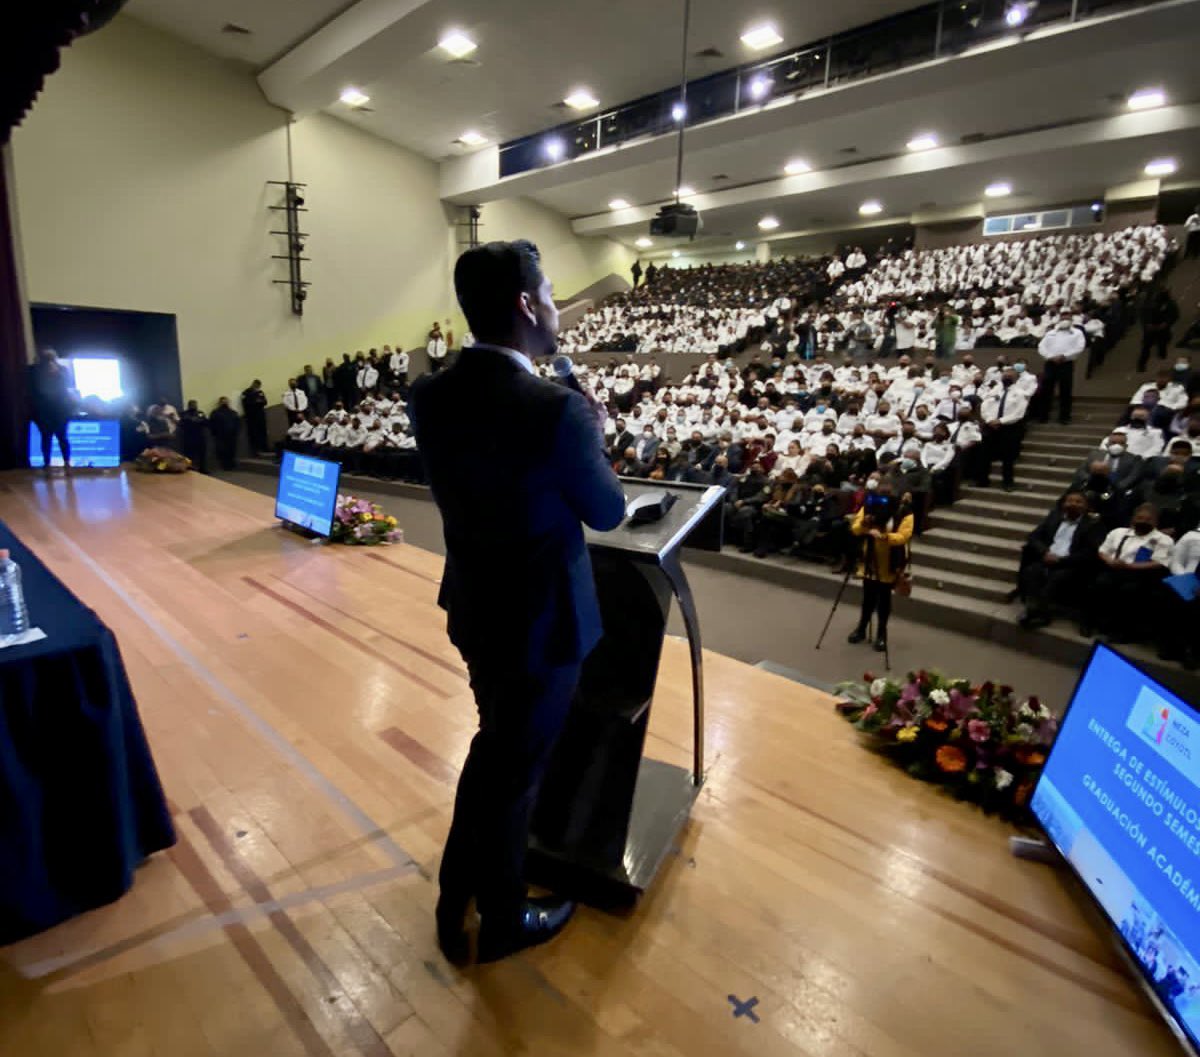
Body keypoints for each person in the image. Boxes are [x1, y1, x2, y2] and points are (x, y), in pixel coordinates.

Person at [410, 240, 625, 966]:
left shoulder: (430, 394)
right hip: (543, 624)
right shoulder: (556, 410)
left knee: (495, 749)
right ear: (527, 305)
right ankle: (501, 920)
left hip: (477, 609)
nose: (559, 307)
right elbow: (607, 511)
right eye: (552, 293)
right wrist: (593, 434)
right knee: (514, 774)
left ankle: (455, 894)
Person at [1084, 504, 1174, 640]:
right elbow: (1103, 551)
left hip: (1141, 574)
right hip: (1113, 568)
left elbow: (1158, 563)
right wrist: (1110, 561)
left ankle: (1121, 632)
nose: (1143, 521)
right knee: (1099, 584)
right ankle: (1090, 623)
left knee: (1129, 591)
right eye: (1140, 518)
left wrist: (1129, 566)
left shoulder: (1163, 540)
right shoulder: (1118, 532)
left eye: (1148, 519)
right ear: (1133, 519)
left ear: (1156, 522)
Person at [1015, 491, 1104, 629]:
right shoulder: (1054, 517)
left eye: (1078, 502)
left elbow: (1089, 551)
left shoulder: (1092, 524)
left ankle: (1039, 615)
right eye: (1070, 501)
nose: (1073, 504)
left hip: (1070, 563)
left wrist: (1061, 561)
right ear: (1063, 504)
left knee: (1056, 579)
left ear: (1086, 506)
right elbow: (1033, 536)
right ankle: (1033, 610)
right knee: (1031, 572)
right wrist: (1044, 552)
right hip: (1047, 557)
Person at [846, 482, 912, 651]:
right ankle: (861, 629)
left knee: (884, 598)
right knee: (868, 597)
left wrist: (884, 537)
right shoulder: (869, 506)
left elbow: (903, 536)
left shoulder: (903, 511)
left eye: (886, 497)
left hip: (890, 560)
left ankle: (881, 634)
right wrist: (865, 524)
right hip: (870, 558)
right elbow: (855, 529)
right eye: (880, 496)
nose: (882, 501)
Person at [979, 369, 1028, 491]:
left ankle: (1007, 483)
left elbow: (1018, 413)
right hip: (990, 426)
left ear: (1015, 378)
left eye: (1009, 376)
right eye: (1005, 375)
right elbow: (984, 406)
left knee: (1008, 457)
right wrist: (989, 420)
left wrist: (1000, 421)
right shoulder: (994, 391)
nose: (1006, 377)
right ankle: (983, 480)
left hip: (1009, 428)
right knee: (984, 455)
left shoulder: (1020, 393)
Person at [28, 347, 76, 472]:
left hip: (61, 410)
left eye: (51, 359)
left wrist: (57, 374)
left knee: (62, 437)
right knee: (46, 437)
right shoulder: (34, 371)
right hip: (43, 410)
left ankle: (67, 463)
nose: (49, 362)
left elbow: (67, 386)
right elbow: (33, 390)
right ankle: (47, 464)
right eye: (46, 360)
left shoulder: (62, 370)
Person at [1037, 317, 1085, 425]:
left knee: (1065, 390)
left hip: (1066, 364)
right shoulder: (1050, 333)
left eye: (1067, 317)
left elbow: (1079, 347)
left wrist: (1064, 356)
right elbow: (1041, 346)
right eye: (1063, 317)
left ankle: (1064, 417)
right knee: (1046, 390)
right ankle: (1043, 416)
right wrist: (1050, 356)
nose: (1064, 319)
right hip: (1050, 363)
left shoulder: (1077, 333)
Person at [1139, 289, 1180, 373]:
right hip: (1151, 329)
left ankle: (1162, 356)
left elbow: (1175, 315)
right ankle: (1141, 364)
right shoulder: (1150, 304)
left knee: (1162, 344)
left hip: (1162, 329)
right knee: (1146, 347)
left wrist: (1166, 323)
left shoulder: (1170, 304)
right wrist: (1147, 324)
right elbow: (1143, 315)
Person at [210, 396, 240, 471]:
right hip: (220, 435)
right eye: (223, 401)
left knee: (232, 450)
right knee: (223, 450)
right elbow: (212, 424)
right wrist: (215, 433)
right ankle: (225, 465)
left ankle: (231, 464)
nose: (224, 403)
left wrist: (236, 432)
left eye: (226, 401)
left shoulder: (233, 412)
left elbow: (238, 423)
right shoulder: (215, 413)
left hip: (231, 435)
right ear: (220, 403)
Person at [178, 400, 209, 473]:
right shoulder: (184, 414)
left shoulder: (200, 413)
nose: (194, 406)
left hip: (200, 436)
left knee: (202, 453)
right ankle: (189, 468)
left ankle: (202, 468)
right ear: (189, 405)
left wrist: (199, 420)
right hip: (188, 437)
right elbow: (181, 424)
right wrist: (191, 421)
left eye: (195, 404)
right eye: (192, 405)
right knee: (188, 454)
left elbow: (206, 422)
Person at [241, 379, 269, 455]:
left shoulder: (260, 392)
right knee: (253, 433)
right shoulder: (246, 392)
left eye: (259, 386)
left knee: (263, 431)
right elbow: (246, 403)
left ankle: (265, 447)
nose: (257, 387)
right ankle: (255, 450)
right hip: (252, 417)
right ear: (253, 384)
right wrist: (256, 402)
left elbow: (265, 402)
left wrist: (259, 401)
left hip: (260, 415)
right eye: (256, 385)